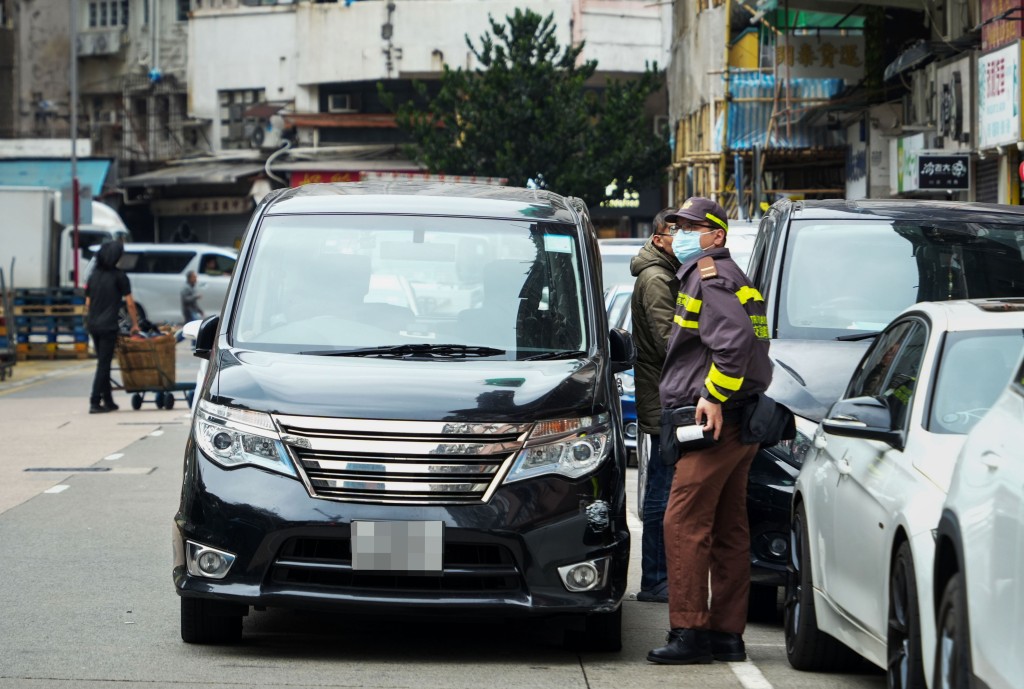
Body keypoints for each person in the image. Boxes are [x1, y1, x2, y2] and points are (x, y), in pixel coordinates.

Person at [647, 197, 772, 665]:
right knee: (728, 529)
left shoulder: (709, 277)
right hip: (741, 424)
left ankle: (690, 633)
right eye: (677, 225)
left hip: (713, 425)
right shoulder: (733, 278)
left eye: (690, 227)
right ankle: (725, 634)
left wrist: (714, 397)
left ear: (716, 235)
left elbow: (735, 344)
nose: (681, 233)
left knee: (681, 524)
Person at [629, 207, 681, 603]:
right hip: (663, 395)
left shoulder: (663, 272)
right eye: (676, 231)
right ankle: (656, 579)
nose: (682, 237)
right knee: (661, 492)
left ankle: (659, 577)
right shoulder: (657, 278)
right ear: (659, 237)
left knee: (664, 488)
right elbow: (670, 342)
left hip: (662, 392)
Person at [85, 239, 140, 414]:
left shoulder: (93, 276)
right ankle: (95, 400)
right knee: (104, 364)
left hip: (93, 324)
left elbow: (88, 303)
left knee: (103, 362)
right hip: (108, 326)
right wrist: (135, 325)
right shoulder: (120, 277)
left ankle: (108, 401)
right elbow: (130, 304)